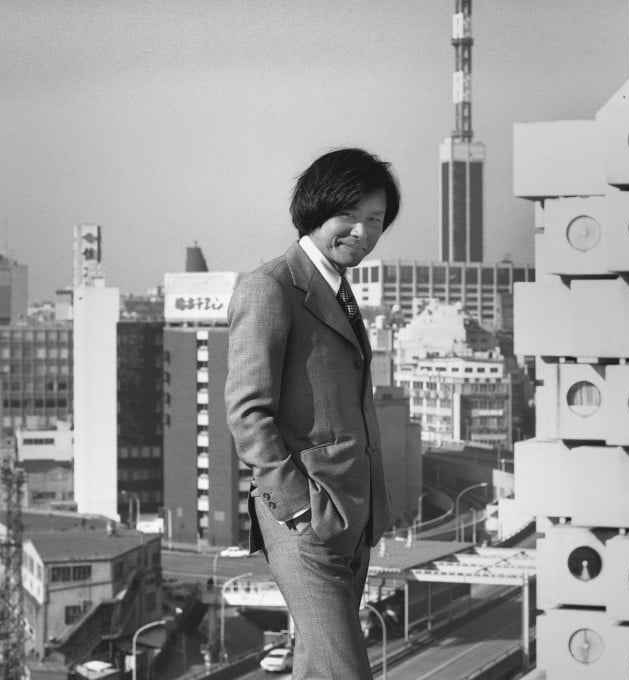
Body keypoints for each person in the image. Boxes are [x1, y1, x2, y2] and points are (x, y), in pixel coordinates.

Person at [225, 147, 399, 679]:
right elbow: (247, 411)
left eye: (375, 221)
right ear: (317, 210)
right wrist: (300, 510)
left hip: (351, 515)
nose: (363, 234)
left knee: (319, 671)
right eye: (350, 216)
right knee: (346, 672)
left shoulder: (338, 291)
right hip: (309, 518)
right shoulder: (271, 286)